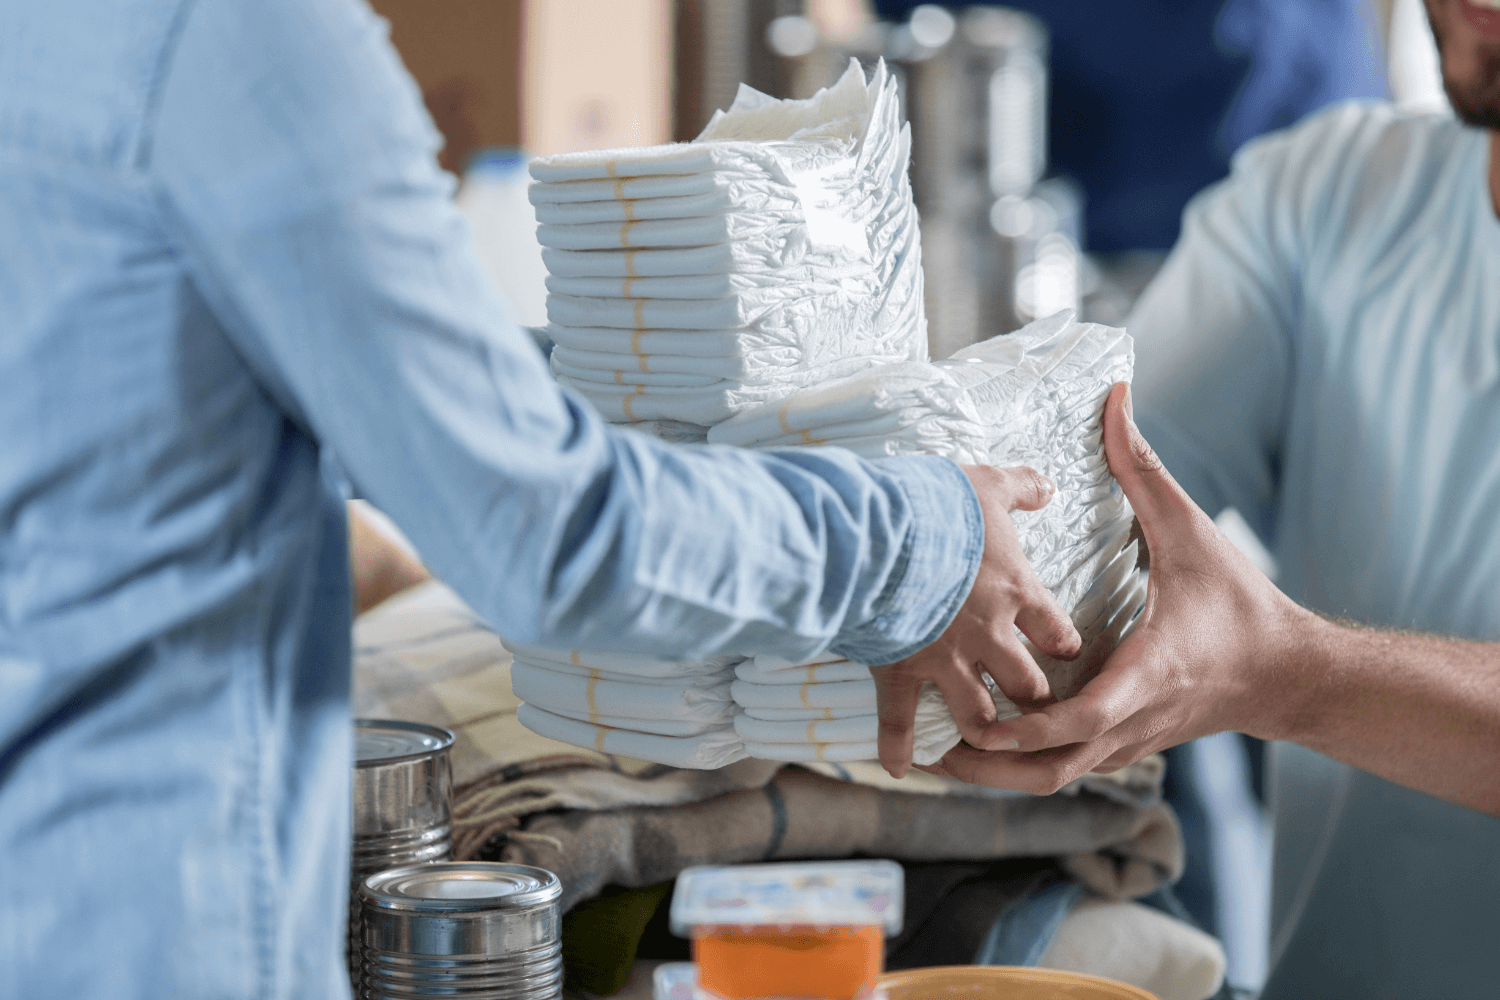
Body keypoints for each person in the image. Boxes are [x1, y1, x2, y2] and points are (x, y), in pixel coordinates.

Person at [0, 0, 1087, 995]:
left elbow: (326, 372)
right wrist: (921, 545)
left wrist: (684, 389)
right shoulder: (227, 37)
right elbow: (543, 531)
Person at [913, 1, 1500, 995]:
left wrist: (1290, 676)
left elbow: (1263, 668)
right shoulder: (1327, 195)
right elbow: (1081, 501)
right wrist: (937, 539)